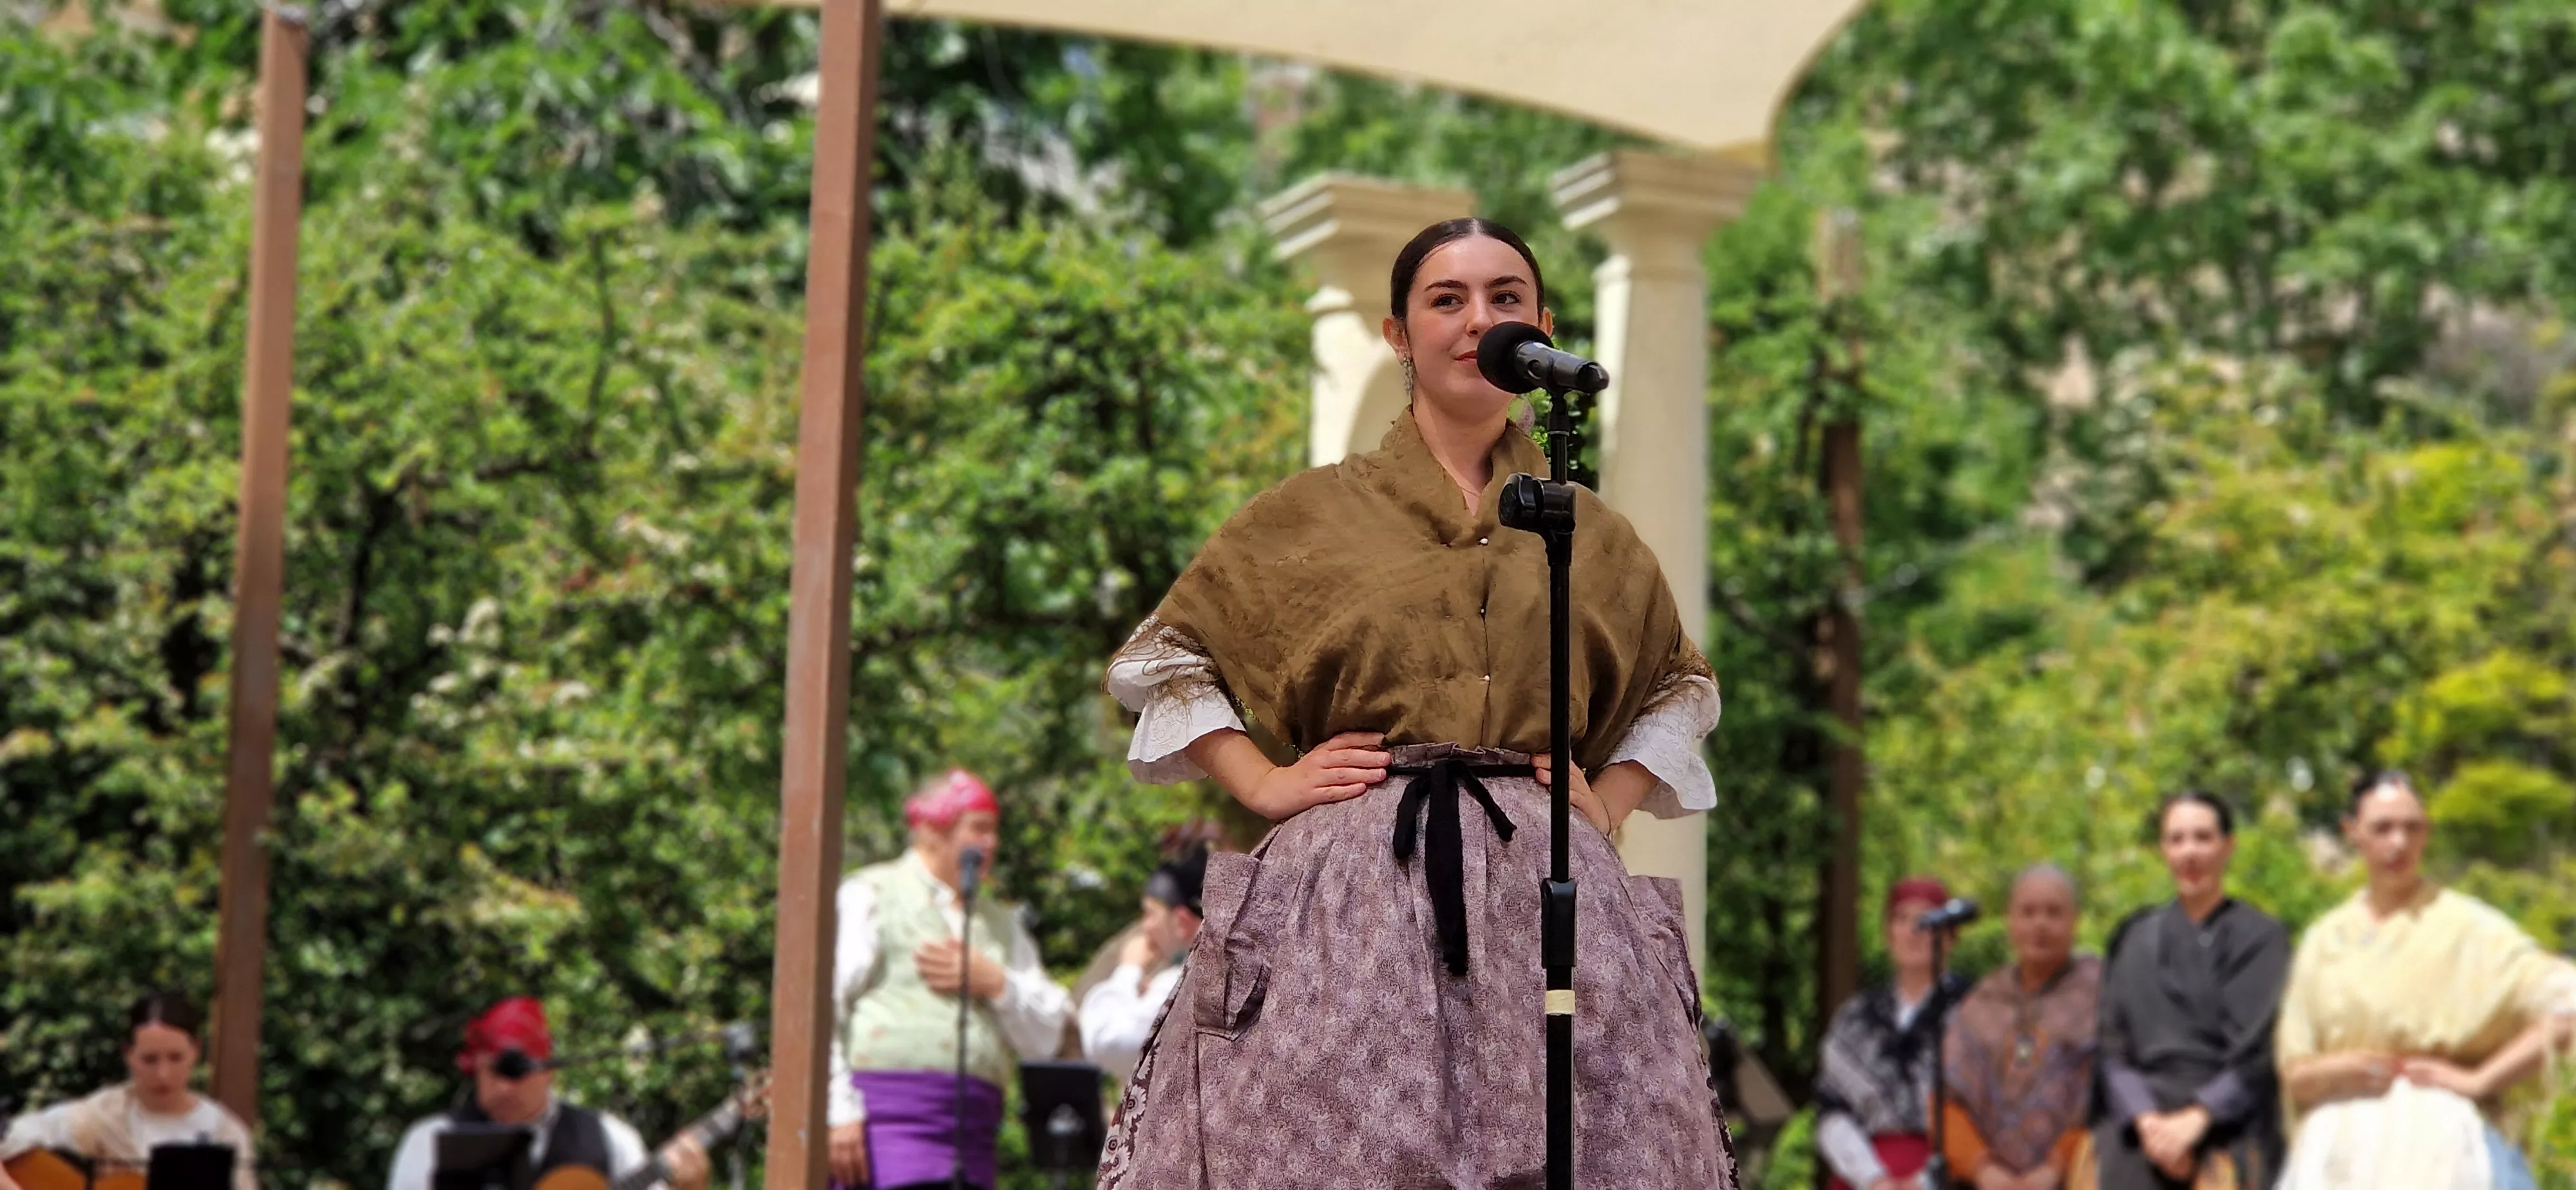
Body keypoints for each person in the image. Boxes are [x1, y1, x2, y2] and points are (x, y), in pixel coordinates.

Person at [1094, 217, 1730, 1188]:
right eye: (1449, 300)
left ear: (1544, 325)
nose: (1481, 320)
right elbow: (1166, 653)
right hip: (1349, 903)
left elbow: (1679, 683)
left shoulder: (1590, 532)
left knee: (1590, 1158)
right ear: (1401, 335)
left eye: (1505, 299)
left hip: (1549, 893)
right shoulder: (1309, 514)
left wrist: (1608, 798)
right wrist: (1262, 780)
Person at [2274, 772, 2576, 1190]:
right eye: (2382, 828)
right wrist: (2337, 1069)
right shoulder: (2326, 938)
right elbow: (2295, 1072)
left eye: (2411, 828)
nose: (2398, 843)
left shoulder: (2471, 927)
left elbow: (2568, 1007)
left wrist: (2481, 1080)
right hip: (2339, 1156)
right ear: (2353, 833)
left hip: (2443, 1149)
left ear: (2426, 834)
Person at [824, 770, 1072, 1190]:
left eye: (994, 831)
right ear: (930, 831)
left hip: (973, 1135)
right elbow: (820, 1008)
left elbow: (1051, 1033)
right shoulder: (871, 894)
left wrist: (998, 984)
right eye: (978, 829)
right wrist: (836, 1110)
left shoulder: (1002, 924)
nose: (991, 843)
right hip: (880, 1128)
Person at [2093, 791, 2292, 1190]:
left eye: (2203, 838)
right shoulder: (2132, 936)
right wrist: (2149, 1123)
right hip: (2140, 1133)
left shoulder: (2260, 938)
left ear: (2228, 847)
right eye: (2177, 839)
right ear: (2162, 849)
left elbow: (2258, 1054)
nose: (2190, 852)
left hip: (2227, 1129)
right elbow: (2111, 1048)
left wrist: (2196, 1119)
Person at [386, 997, 708, 1190]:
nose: (504, 1087)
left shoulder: (611, 1139)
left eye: (516, 1072)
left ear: (549, 1068)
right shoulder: (428, 1142)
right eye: (492, 1071)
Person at [1941, 864, 2101, 1190]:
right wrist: (1982, 1169)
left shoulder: (2102, 994)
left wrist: (2056, 1167)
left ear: (2075, 920)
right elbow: (1945, 1101)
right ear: (2010, 922)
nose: (2040, 924)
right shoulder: (1984, 999)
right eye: (2027, 912)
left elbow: (2117, 1096)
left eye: (2054, 912)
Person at [0, 992, 256, 1190]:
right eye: (150, 1060)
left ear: (196, 1051)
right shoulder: (104, 1115)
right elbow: (11, 1139)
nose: (163, 1074)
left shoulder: (224, 1132)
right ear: (128, 1054)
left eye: (176, 1058)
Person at [1815, 876, 1970, 1190]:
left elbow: (1993, 1114)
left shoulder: (1976, 1013)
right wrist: (1874, 1179)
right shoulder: (1855, 1019)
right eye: (1901, 919)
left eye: (1925, 918)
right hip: (1864, 1178)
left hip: (1956, 1177)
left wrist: (1925, 1182)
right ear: (1888, 934)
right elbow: (1831, 1111)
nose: (1913, 930)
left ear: (1951, 935)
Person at [1077, 847, 1207, 1084]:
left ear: (1181, 922)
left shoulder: (1181, 980)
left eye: (1151, 914)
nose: (1145, 927)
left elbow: (1108, 1043)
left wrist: (1128, 971)